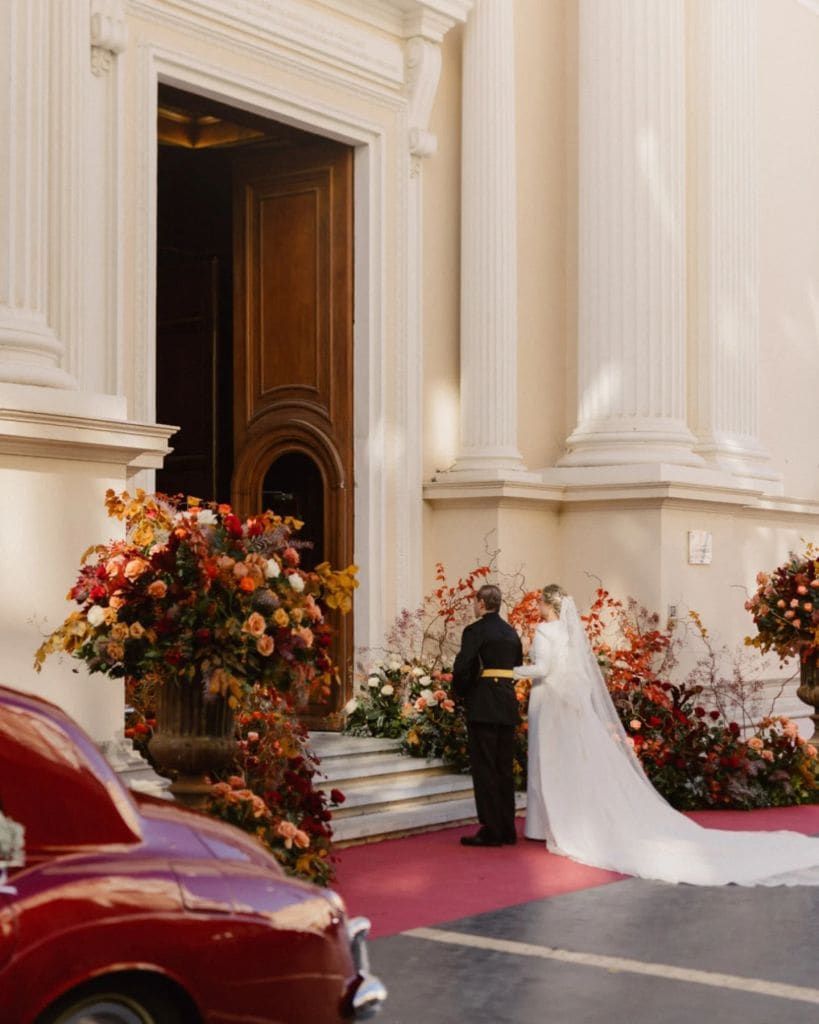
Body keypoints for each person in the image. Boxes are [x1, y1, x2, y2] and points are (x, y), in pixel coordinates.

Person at [514, 584, 819, 886]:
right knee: (566, 762)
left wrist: (512, 671)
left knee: (548, 760)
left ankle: (543, 825)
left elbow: (543, 669)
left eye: (540, 602)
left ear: (548, 605)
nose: (537, 606)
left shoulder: (544, 632)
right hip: (568, 706)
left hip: (549, 703)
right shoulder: (569, 634)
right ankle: (554, 821)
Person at [453, 583, 523, 847]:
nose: (474, 606)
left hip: (483, 705)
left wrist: (462, 693)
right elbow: (517, 666)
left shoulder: (475, 631)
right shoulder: (510, 632)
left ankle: (491, 830)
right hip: (506, 704)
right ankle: (507, 828)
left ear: (481, 603)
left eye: (474, 602)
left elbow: (463, 667)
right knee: (503, 768)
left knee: (485, 768)